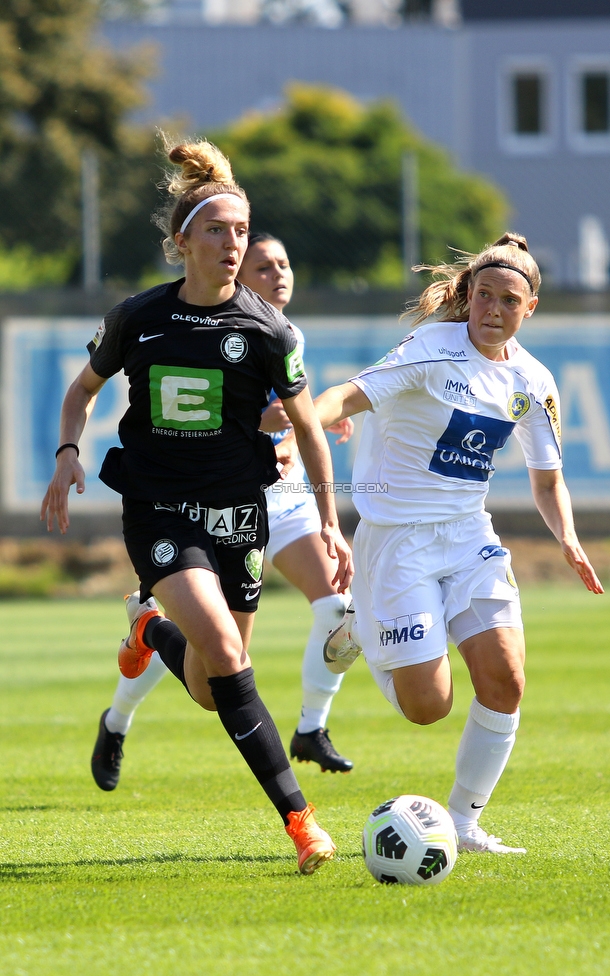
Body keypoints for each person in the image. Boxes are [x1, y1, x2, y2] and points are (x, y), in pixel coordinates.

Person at [41, 137, 353, 875]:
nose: (233, 243)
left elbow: (309, 427)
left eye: (242, 231)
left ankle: (149, 630)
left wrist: (333, 522)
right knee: (228, 648)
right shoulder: (137, 318)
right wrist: (66, 455)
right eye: (217, 229)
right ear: (183, 242)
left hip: (238, 513)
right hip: (157, 508)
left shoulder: (268, 331)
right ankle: (303, 824)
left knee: (215, 688)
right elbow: (83, 391)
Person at [314, 233, 603, 853]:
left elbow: (548, 480)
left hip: (469, 536)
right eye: (484, 296)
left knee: (505, 679)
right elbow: (351, 393)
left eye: (508, 301)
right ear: (467, 295)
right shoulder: (430, 349)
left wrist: (569, 537)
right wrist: (308, 414)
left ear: (530, 310)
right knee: (428, 707)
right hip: (397, 542)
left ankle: (466, 823)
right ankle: (363, 627)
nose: (493, 310)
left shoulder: (533, 380)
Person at [89, 231, 354, 793]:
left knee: (339, 608)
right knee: (211, 655)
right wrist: (275, 430)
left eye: (283, 263)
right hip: (213, 496)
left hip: (281, 502)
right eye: (264, 266)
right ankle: (119, 718)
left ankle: (312, 727)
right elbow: (219, 421)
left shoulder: (285, 333)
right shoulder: (203, 324)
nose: (277, 273)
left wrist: (313, 424)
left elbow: (299, 412)